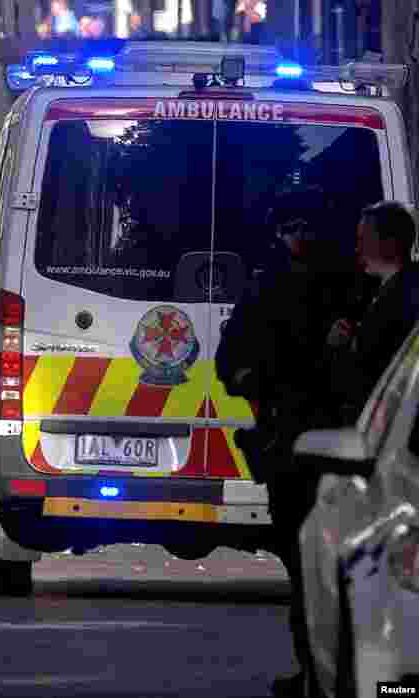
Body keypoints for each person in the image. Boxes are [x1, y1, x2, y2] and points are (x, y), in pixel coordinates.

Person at [216, 189, 359, 698]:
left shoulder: (347, 287)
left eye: (302, 225)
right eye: (288, 227)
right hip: (299, 444)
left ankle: (332, 675)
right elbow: (228, 363)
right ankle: (319, 673)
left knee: (325, 570)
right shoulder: (275, 286)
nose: (296, 236)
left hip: (332, 446)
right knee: (308, 571)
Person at [327, 201, 419, 421]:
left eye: (364, 240)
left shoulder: (401, 299)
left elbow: (362, 376)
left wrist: (338, 346)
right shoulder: (388, 288)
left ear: (390, 243)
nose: (357, 248)